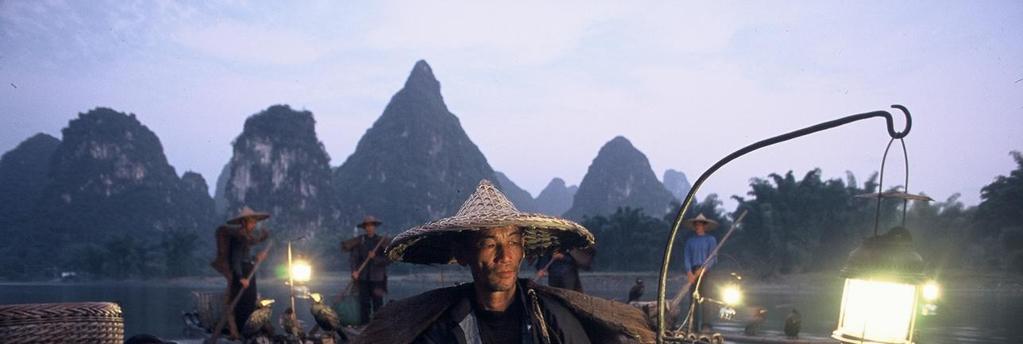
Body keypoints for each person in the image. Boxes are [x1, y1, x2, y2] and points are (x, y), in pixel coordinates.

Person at [354, 180, 654, 344]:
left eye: (513, 242)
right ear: (463, 255)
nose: (504, 256)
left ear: (524, 250)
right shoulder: (443, 328)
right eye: (488, 244)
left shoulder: (553, 321)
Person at [212, 206, 270, 338]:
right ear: (244, 222)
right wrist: (240, 278)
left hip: (248, 272)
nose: (254, 225)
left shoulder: (246, 237)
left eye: (255, 222)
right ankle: (241, 332)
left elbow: (246, 257)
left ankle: (248, 331)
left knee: (250, 301)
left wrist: (257, 258)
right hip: (242, 274)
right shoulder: (238, 237)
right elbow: (236, 260)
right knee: (243, 304)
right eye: (251, 222)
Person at [342, 215, 391, 324]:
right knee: (364, 303)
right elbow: (353, 258)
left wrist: (375, 258)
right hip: (363, 278)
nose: (369, 228)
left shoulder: (381, 242)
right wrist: (354, 271)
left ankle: (377, 327)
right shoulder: (360, 242)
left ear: (375, 227)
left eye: (371, 225)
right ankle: (364, 327)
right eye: (367, 226)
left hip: (378, 279)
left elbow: (388, 260)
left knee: (378, 304)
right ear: (364, 228)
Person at [682, 213, 718, 333]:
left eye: (700, 224)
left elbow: (713, 257)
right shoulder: (690, 241)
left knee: (706, 298)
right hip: (693, 271)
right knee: (693, 299)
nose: (698, 226)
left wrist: (704, 269)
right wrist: (689, 272)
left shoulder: (711, 239)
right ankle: (693, 325)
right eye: (696, 224)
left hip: (706, 272)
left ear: (704, 226)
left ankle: (706, 326)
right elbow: (687, 258)